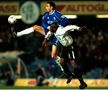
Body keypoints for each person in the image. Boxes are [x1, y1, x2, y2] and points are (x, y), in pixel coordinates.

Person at [11, 1, 74, 83]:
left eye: (47, 6)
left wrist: (58, 27)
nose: (46, 7)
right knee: (35, 27)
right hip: (50, 32)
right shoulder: (45, 15)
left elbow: (67, 22)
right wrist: (49, 27)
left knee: (53, 55)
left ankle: (65, 71)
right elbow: (43, 24)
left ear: (51, 7)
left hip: (57, 35)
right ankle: (17, 34)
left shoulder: (58, 15)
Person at [44, 22, 87, 89]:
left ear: (55, 28)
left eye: (52, 27)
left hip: (71, 46)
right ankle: (69, 75)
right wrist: (45, 39)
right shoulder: (53, 30)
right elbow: (49, 33)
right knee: (61, 61)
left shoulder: (62, 30)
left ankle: (82, 83)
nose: (50, 28)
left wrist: (79, 28)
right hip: (64, 47)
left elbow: (71, 26)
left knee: (73, 65)